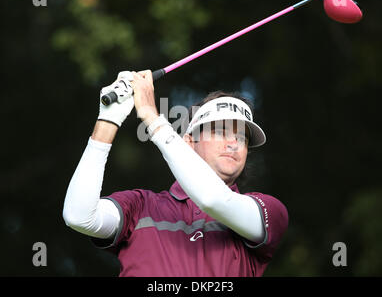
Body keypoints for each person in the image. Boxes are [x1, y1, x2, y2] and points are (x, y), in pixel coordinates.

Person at [63, 70, 288, 277]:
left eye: (241, 138)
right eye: (220, 132)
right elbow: (79, 216)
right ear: (189, 143)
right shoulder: (140, 206)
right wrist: (107, 121)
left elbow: (214, 200)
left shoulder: (268, 210)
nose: (233, 143)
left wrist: (153, 118)